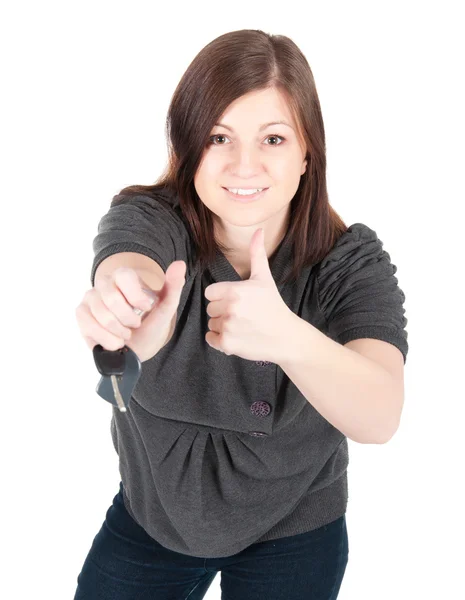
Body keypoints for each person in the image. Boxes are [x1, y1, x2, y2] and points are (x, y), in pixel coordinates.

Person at [74, 28, 408, 600]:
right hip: (153, 519)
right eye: (219, 137)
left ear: (308, 153)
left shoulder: (351, 262)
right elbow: (129, 261)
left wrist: (288, 339)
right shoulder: (150, 217)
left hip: (297, 528)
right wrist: (128, 304)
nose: (244, 164)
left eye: (273, 139)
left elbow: (380, 416)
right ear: (187, 147)